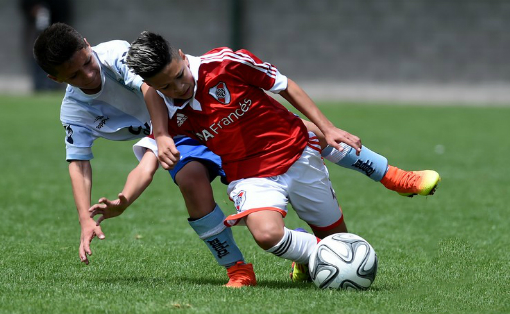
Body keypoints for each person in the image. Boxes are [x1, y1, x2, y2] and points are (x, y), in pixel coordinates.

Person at [124, 31, 441, 283]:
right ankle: (312, 257)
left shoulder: (225, 63)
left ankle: (395, 177)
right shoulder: (163, 111)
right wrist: (126, 194)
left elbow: (284, 85)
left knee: (333, 230)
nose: (178, 87)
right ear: (149, 87)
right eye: (165, 86)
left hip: (295, 152)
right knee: (266, 235)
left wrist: (327, 126)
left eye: (179, 75)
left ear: (181, 56)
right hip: (248, 175)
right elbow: (151, 151)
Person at [32, 23, 256, 288]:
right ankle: (237, 268)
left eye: (87, 62)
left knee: (280, 154)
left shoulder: (114, 53)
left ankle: (296, 241)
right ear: (56, 79)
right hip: (173, 134)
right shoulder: (74, 112)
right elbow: (79, 164)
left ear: (87, 44)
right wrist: (85, 219)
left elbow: (150, 88)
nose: (88, 74)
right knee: (190, 179)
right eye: (75, 75)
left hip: (194, 108)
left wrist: (161, 134)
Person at [20, 0, 74, 91]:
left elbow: (64, 9)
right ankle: (39, 86)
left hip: (56, 29)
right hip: (37, 31)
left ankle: (53, 86)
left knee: (56, 59)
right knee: (37, 59)